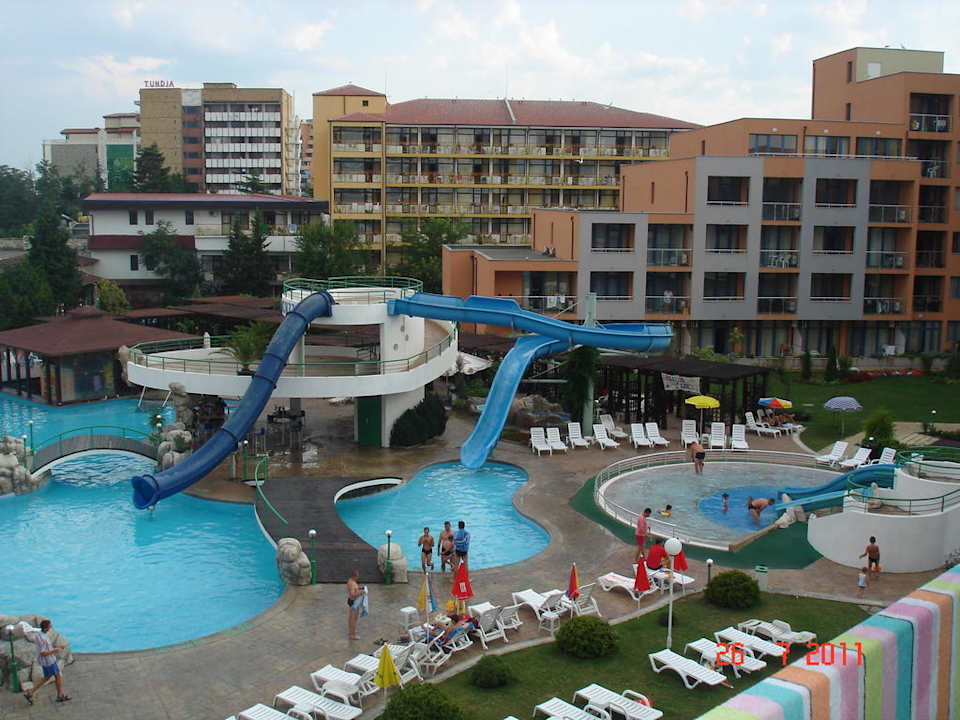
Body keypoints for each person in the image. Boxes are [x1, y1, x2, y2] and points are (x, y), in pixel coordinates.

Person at [22, 619, 70, 704]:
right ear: (45, 628)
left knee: (47, 677)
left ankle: (31, 692)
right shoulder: (43, 638)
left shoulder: (40, 635)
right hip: (49, 661)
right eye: (49, 626)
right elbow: (43, 653)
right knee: (57, 676)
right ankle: (59, 695)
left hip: (46, 661)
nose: (50, 627)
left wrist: (56, 648)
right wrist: (56, 650)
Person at [347, 569, 366, 640]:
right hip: (353, 602)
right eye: (357, 576)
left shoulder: (351, 581)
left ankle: (350, 632)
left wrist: (359, 587)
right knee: (353, 619)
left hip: (351, 601)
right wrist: (360, 592)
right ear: (354, 576)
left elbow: (354, 589)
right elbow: (353, 594)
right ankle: (352, 635)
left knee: (351, 618)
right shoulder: (352, 583)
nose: (358, 577)